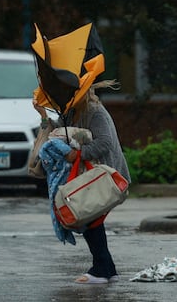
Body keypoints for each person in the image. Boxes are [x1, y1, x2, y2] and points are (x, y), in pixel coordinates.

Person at [33, 81, 131, 284]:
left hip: (106, 174)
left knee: (89, 217)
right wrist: (43, 116)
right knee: (89, 217)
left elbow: (105, 143)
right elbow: (55, 132)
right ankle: (106, 268)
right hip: (89, 174)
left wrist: (78, 154)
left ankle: (101, 269)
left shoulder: (95, 111)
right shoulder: (70, 111)